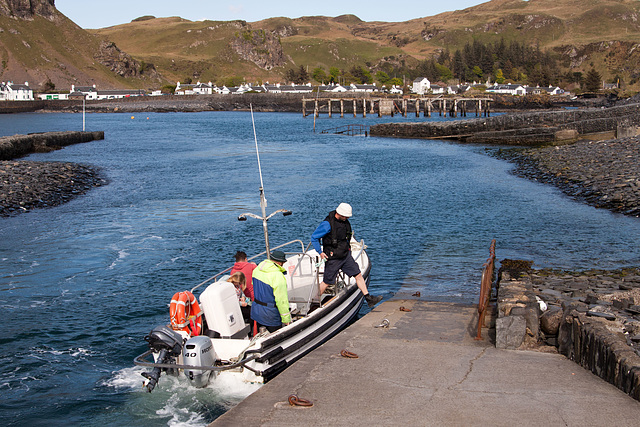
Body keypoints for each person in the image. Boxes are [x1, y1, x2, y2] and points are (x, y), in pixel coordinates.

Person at [311, 203, 383, 308]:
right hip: (333, 258)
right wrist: (320, 252)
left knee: (358, 275)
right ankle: (314, 302)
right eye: (346, 216)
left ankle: (369, 298)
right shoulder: (327, 224)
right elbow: (314, 237)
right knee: (326, 282)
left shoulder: (345, 222)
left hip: (345, 256)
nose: (348, 218)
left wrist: (348, 250)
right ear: (339, 213)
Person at [250, 250, 291, 333]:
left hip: (257, 311)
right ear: (280, 263)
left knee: (260, 335)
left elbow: (253, 285)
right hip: (270, 315)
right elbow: (281, 300)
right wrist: (286, 319)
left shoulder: (257, 269)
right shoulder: (278, 276)